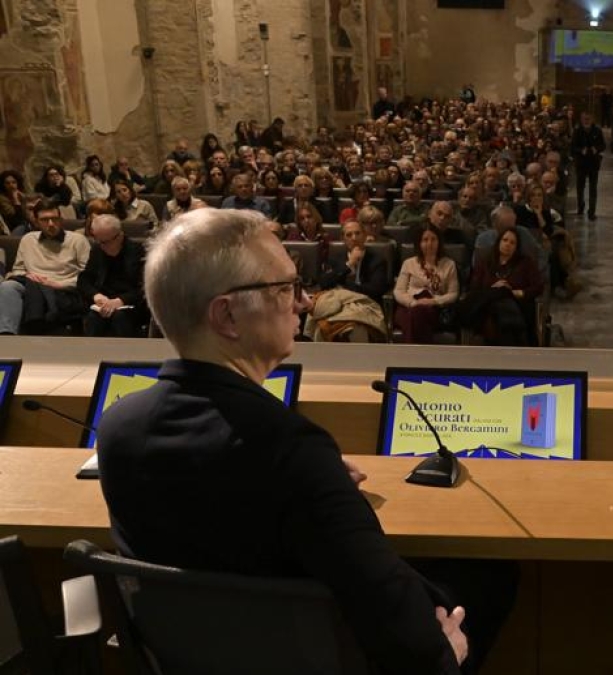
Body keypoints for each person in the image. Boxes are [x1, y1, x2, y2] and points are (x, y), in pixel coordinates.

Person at [96, 208, 514, 675]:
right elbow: (391, 615)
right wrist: (443, 655)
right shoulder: (291, 450)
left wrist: (322, 491)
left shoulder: (117, 429)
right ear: (227, 315)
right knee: (493, 572)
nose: (299, 303)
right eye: (284, 289)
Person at [0, 201, 91, 335]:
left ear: (61, 220)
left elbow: (88, 276)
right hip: (32, 283)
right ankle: (6, 335)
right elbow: (18, 269)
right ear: (36, 222)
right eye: (44, 220)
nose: (50, 224)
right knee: (7, 287)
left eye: (54, 219)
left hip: (62, 286)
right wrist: (29, 277)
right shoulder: (28, 239)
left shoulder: (77, 240)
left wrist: (57, 284)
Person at [461, 227, 544, 346]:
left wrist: (517, 293)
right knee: (498, 300)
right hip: (489, 308)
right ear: (499, 242)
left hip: (518, 305)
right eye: (505, 240)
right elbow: (474, 288)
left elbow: (538, 287)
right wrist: (494, 289)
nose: (508, 244)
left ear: (516, 247)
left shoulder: (526, 263)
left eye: (512, 242)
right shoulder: (485, 262)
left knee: (503, 301)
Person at [77, 214, 147, 338]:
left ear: (119, 236)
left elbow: (145, 288)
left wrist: (120, 301)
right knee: (93, 318)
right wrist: (95, 295)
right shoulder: (98, 250)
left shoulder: (139, 252)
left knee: (119, 318)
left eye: (104, 242)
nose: (101, 245)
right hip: (103, 303)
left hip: (131, 304)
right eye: (98, 240)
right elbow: (84, 280)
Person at [394, 223, 461, 344]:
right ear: (419, 243)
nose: (429, 244)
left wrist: (434, 301)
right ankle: (424, 358)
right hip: (408, 306)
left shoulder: (449, 264)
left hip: (433, 308)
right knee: (414, 315)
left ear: (439, 242)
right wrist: (413, 303)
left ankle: (409, 356)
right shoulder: (409, 263)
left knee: (417, 316)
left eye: (433, 239)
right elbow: (398, 291)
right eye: (425, 240)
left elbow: (453, 293)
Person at [571, 112, 604, 220]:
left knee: (593, 188)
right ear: (581, 119)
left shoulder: (597, 131)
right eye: (585, 119)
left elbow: (603, 145)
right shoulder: (577, 131)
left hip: (593, 163)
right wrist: (581, 150)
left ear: (592, 119)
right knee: (580, 187)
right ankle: (580, 207)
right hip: (581, 163)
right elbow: (572, 147)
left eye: (588, 119)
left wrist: (597, 149)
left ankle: (592, 212)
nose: (586, 121)